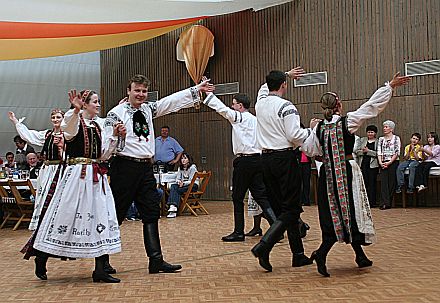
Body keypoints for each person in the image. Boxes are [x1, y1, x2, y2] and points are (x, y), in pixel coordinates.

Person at [302, 72, 410, 277]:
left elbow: (310, 151)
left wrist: (315, 134)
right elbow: (371, 106)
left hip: (327, 176)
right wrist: (389, 86)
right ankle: (322, 254)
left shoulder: (318, 128)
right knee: (350, 212)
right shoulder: (347, 121)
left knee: (335, 214)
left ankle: (359, 255)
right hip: (346, 172)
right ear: (338, 105)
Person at [104, 74, 214, 274]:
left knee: (151, 212)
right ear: (128, 91)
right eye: (137, 90)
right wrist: (115, 134)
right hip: (124, 167)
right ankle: (102, 263)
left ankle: (156, 260)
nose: (140, 94)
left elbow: (170, 102)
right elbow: (105, 144)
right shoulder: (115, 114)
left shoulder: (147, 109)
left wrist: (196, 89)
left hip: (146, 169)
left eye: (144, 91)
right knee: (115, 215)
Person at [32, 89, 124, 283]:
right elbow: (67, 127)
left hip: (95, 176)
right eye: (95, 102)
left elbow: (104, 154)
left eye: (98, 102)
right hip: (76, 176)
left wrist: (114, 135)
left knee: (102, 216)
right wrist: (74, 110)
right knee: (64, 216)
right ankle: (41, 256)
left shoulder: (97, 126)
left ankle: (100, 268)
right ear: (85, 104)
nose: (98, 105)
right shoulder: (75, 123)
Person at [251, 67, 317, 272]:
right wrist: (312, 128)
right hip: (284, 159)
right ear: (283, 86)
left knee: (283, 209)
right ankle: (264, 246)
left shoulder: (260, 103)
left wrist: (285, 74)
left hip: (265, 160)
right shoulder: (286, 106)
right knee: (292, 208)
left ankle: (298, 255)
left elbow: (264, 88)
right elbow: (295, 135)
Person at [202, 91, 277, 242]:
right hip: (258, 161)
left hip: (245, 162)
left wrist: (209, 94)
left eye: (234, 103)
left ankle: (238, 232)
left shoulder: (239, 117)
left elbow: (222, 109)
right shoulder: (256, 120)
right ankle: (276, 228)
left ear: (240, 106)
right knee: (261, 196)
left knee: (237, 197)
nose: (232, 106)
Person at [9, 109, 65, 231]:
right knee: (44, 195)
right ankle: (44, 223)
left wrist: (61, 145)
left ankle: (58, 223)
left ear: (63, 119)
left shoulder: (67, 135)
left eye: (58, 117)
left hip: (60, 169)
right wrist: (16, 122)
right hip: (47, 169)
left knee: (59, 196)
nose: (55, 120)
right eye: (54, 117)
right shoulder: (47, 135)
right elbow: (29, 135)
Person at [353, 125, 379, 207]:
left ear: (375, 133)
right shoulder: (362, 140)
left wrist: (368, 151)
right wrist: (363, 152)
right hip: (363, 164)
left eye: (372, 132)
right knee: (364, 183)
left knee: (372, 184)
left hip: (373, 166)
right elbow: (357, 151)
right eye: (368, 132)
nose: (370, 133)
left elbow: (378, 154)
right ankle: (364, 202)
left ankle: (372, 202)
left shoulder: (378, 141)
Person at [378, 120, 401, 210]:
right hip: (383, 161)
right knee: (384, 183)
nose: (384, 128)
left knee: (391, 182)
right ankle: (384, 203)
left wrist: (390, 162)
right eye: (384, 127)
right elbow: (379, 151)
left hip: (393, 162)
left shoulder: (396, 138)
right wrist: (380, 162)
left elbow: (397, 151)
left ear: (391, 129)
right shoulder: (381, 139)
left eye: (386, 127)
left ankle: (388, 202)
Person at [166, 152, 198, 218]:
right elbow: (177, 178)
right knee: (173, 186)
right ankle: (173, 207)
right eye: (182, 158)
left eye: (185, 158)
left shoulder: (192, 168)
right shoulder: (180, 168)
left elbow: (192, 181)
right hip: (183, 185)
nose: (183, 160)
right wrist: (179, 182)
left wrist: (183, 183)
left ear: (189, 160)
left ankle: (173, 207)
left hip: (193, 185)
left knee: (177, 190)